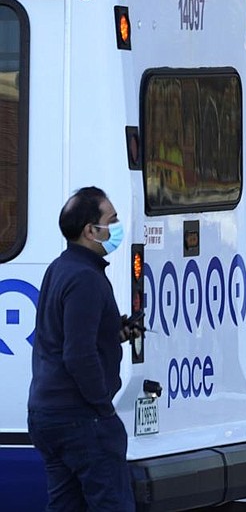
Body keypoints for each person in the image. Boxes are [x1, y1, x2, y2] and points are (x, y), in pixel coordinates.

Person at [27, 186, 138, 511]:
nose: (117, 226)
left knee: (65, 505)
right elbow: (78, 354)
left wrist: (116, 332)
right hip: (81, 419)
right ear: (91, 230)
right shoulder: (86, 278)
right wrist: (102, 407)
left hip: (48, 415)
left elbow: (67, 335)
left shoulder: (60, 269)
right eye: (112, 219)